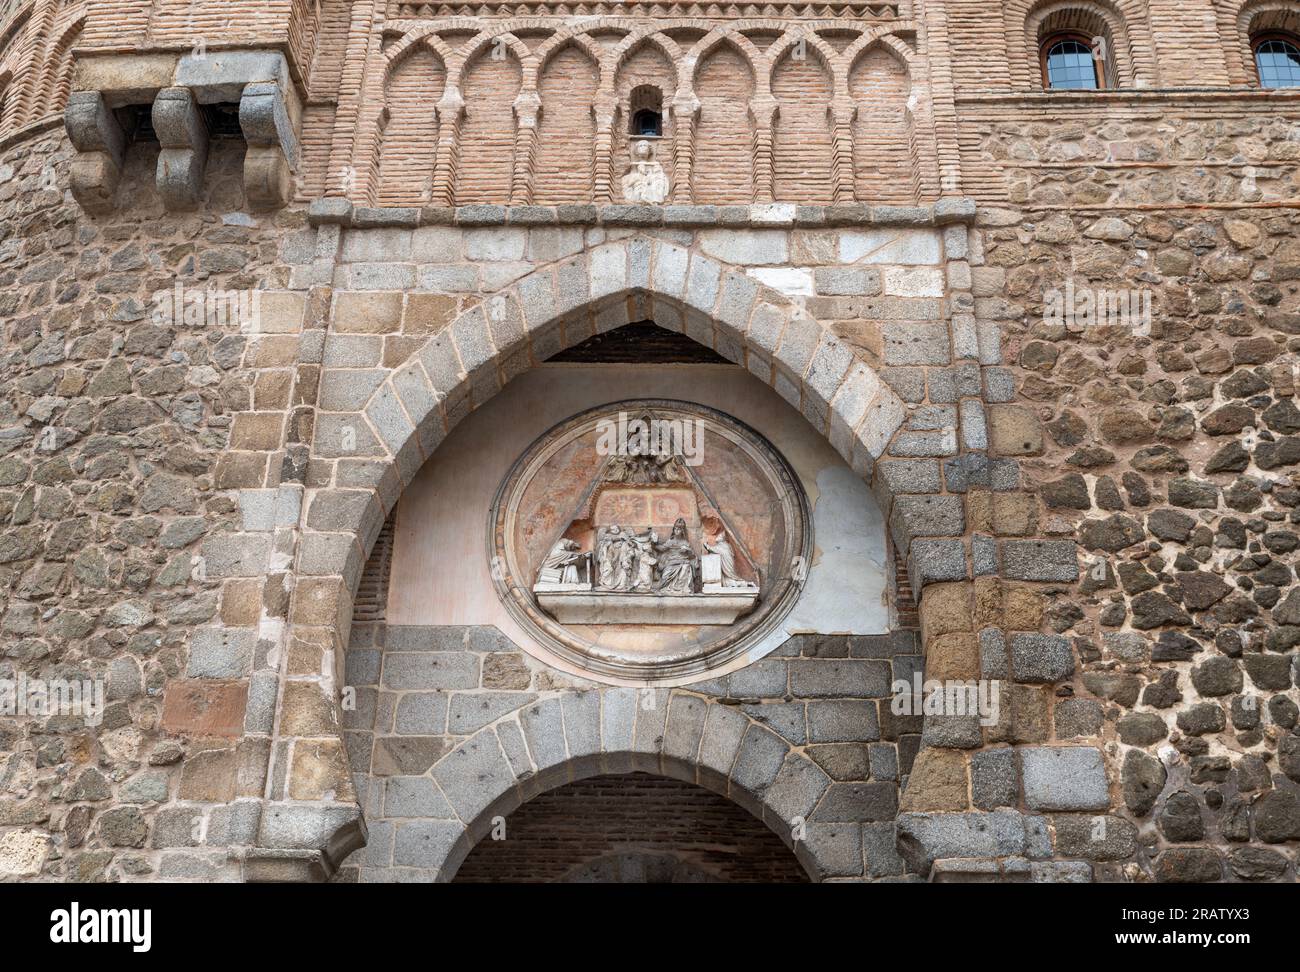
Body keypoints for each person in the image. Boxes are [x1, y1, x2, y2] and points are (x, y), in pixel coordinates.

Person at [654, 518, 696, 594]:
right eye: (675, 528)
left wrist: (687, 550)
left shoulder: (685, 542)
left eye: (679, 529)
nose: (676, 530)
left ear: (682, 531)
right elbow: (662, 548)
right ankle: (662, 587)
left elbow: (692, 555)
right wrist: (654, 544)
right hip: (671, 562)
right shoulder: (671, 541)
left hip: (683, 562)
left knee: (686, 566)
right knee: (665, 576)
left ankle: (679, 589)